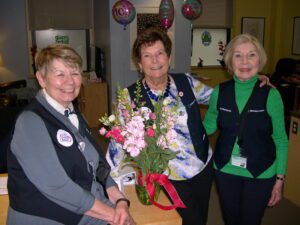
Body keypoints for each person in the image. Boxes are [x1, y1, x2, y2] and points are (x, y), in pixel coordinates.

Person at [6, 44, 136, 225]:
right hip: (49, 216)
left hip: (84, 206)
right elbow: (57, 186)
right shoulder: (30, 122)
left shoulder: (73, 113)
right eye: (60, 74)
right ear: (41, 79)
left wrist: (119, 199)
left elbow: (96, 164)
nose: (70, 82)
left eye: (75, 73)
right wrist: (113, 215)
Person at [106, 27, 214, 225]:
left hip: (202, 166)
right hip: (167, 176)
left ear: (169, 58)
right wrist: (113, 186)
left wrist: (246, 83)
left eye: (160, 53)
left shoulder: (186, 82)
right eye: (147, 56)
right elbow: (117, 142)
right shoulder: (130, 97)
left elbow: (220, 98)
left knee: (201, 218)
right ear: (139, 64)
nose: (155, 60)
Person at [203, 34, 288, 225]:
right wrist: (177, 130)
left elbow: (281, 140)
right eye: (238, 55)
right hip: (225, 169)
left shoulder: (271, 94)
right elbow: (208, 126)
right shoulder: (220, 91)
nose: (245, 62)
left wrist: (280, 179)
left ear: (260, 59)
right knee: (230, 220)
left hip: (261, 171)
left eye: (251, 55)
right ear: (230, 62)